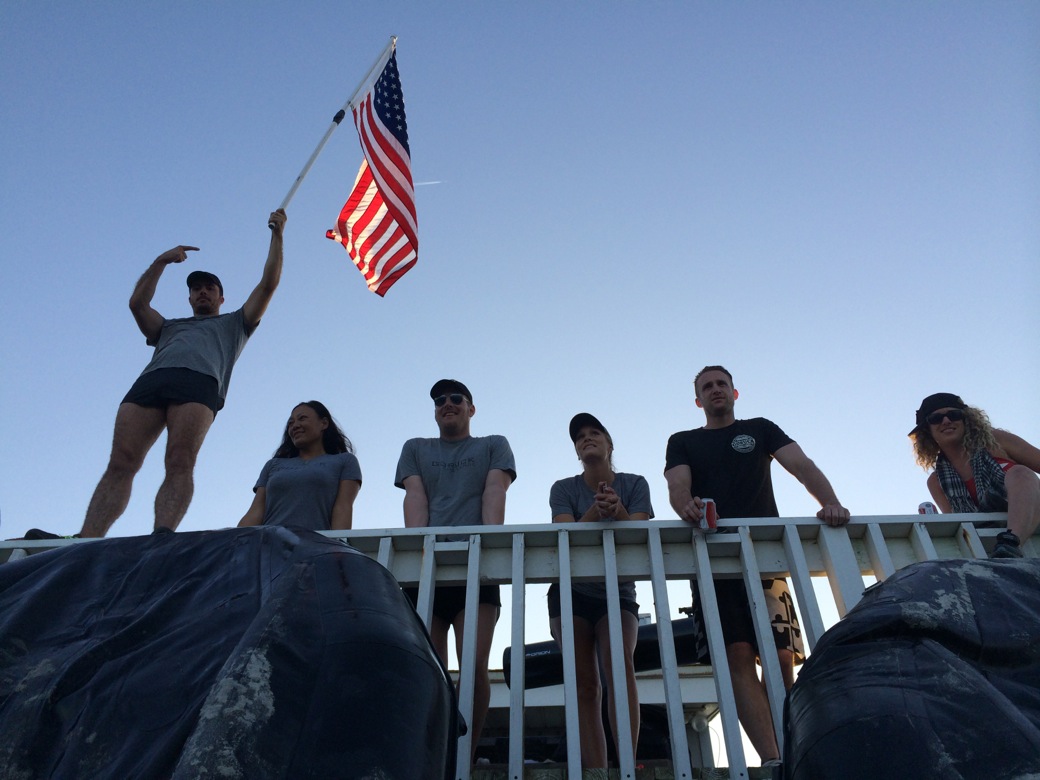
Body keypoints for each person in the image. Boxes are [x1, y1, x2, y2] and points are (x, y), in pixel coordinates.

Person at [41, 210, 286, 540]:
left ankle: (163, 535)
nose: (202, 292)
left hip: (199, 383)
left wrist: (277, 234)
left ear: (220, 297)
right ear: (188, 297)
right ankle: (87, 536)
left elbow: (268, 285)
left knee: (180, 459)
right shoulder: (168, 327)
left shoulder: (235, 324)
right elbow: (137, 304)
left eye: (209, 288)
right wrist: (161, 262)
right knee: (122, 461)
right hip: (153, 381)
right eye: (196, 288)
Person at [663, 365, 850, 767]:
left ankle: (792, 747)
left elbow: (802, 466)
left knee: (782, 658)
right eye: (707, 387)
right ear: (698, 400)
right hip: (714, 562)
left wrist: (829, 502)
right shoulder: (683, 441)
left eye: (721, 384)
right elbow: (677, 486)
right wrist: (686, 506)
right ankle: (774, 761)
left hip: (766, 558)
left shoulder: (761, 429)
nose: (716, 390)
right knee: (738, 657)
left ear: (734, 392)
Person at [394, 379, 516, 762]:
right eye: (439, 400)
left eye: (455, 398)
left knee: (474, 663)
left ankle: (464, 755)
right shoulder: (415, 448)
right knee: (429, 667)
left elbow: (494, 490)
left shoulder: (493, 444)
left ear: (471, 408)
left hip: (476, 569)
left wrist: (488, 546)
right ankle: (433, 755)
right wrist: (420, 555)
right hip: (428, 571)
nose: (447, 403)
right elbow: (416, 497)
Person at [548, 413, 653, 769]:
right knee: (585, 685)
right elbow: (566, 535)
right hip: (570, 592)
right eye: (579, 437)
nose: (586, 439)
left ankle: (626, 765)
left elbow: (639, 535)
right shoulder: (563, 488)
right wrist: (597, 510)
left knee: (619, 668)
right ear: (576, 450)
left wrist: (619, 509)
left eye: (594, 433)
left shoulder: (635, 482)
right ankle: (596, 772)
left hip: (619, 591)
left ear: (610, 444)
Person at [909, 392, 1040, 558]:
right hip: (987, 545)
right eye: (936, 418)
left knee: (1021, 473)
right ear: (927, 430)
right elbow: (956, 524)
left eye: (954, 415)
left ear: (966, 419)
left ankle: (1011, 543)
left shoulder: (995, 440)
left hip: (1028, 523)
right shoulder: (936, 482)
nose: (946, 421)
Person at [239, 401, 362, 531]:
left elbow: (343, 507)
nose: (295, 426)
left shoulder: (345, 461)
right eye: (290, 423)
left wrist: (338, 546)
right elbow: (256, 511)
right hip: (268, 545)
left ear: (324, 423)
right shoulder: (273, 465)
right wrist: (234, 543)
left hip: (316, 546)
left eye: (302, 418)